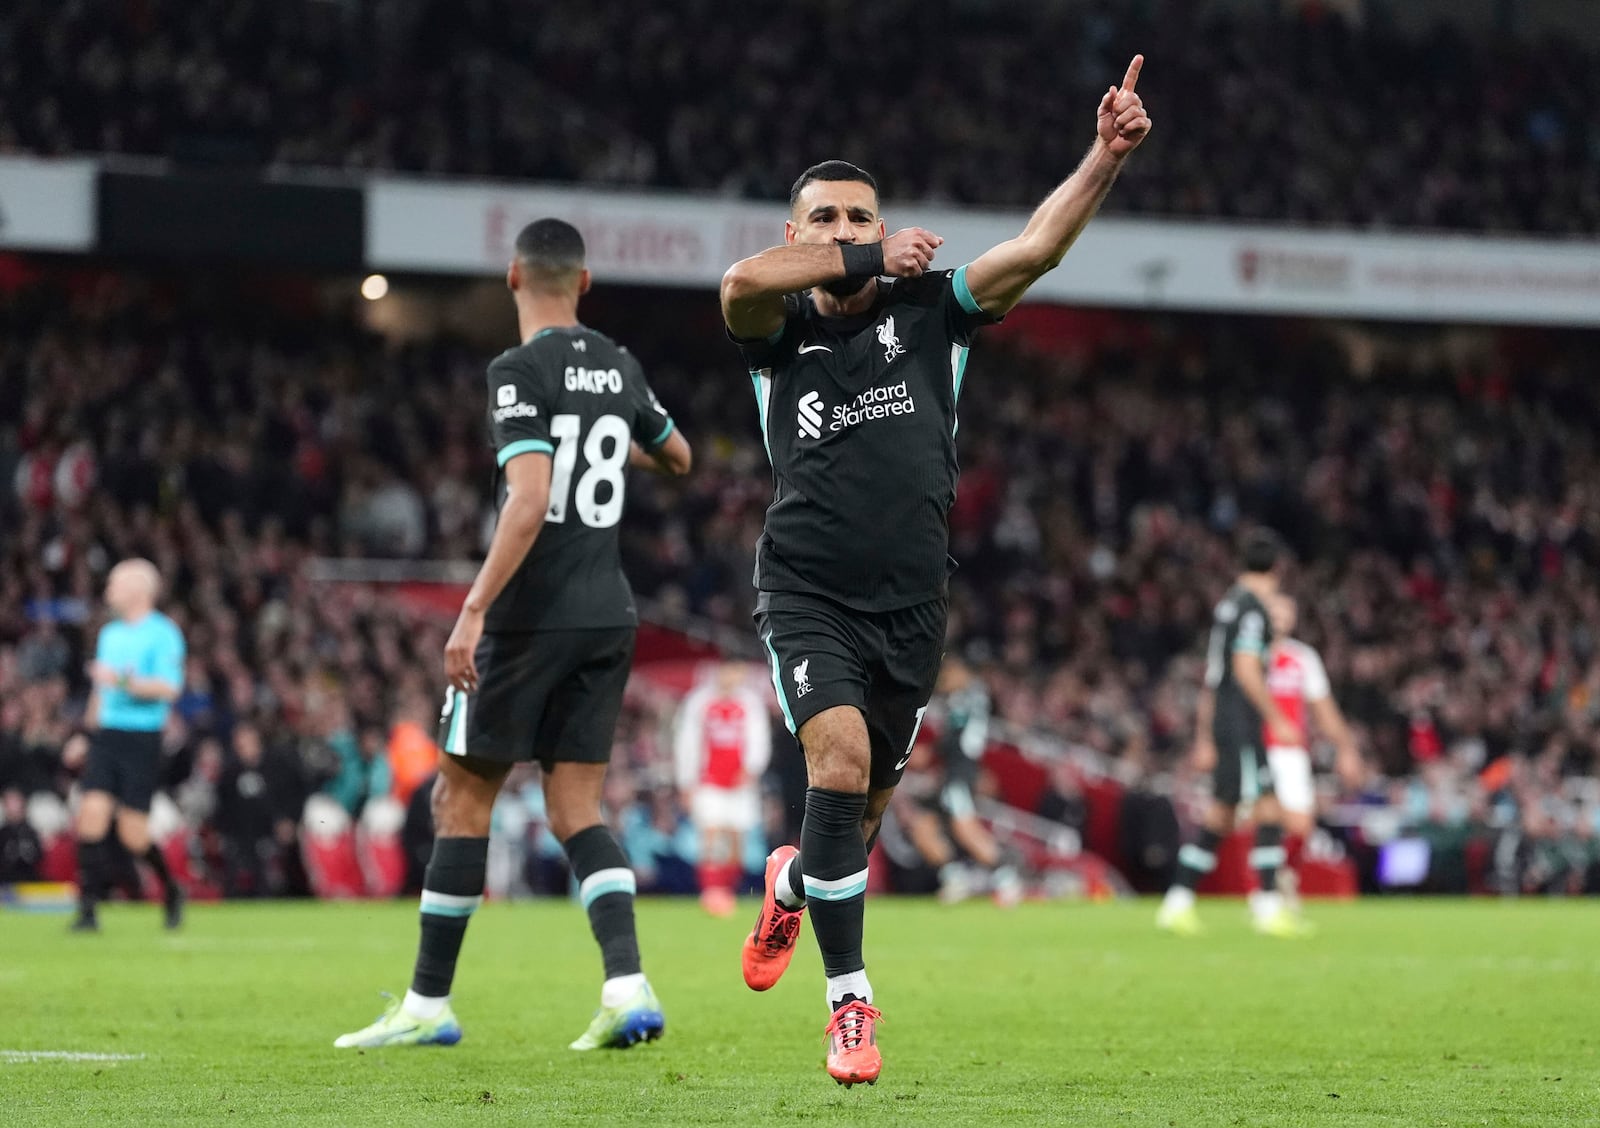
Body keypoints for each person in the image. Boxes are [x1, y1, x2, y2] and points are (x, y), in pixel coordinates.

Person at [721, 57, 1152, 1085]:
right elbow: (737, 283)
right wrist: (869, 251)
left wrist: (1106, 152)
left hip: (912, 609)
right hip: (806, 592)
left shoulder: (932, 315)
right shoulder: (774, 333)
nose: (840, 230)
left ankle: (793, 880)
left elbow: (1037, 247)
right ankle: (852, 1007)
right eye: (822, 218)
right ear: (799, 233)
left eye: (857, 215)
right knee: (832, 767)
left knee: (853, 825)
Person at [335, 218, 692, 1051]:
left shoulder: (517, 370)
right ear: (586, 281)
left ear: (511, 277)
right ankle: (627, 986)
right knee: (575, 808)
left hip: (532, 616)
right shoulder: (618, 364)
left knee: (459, 797)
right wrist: (604, 436)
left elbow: (528, 501)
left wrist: (471, 611)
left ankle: (427, 1005)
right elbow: (676, 457)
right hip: (610, 611)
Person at [1156, 530, 1309, 937]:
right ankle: (1267, 906)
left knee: (1222, 813)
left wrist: (1206, 735)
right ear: (1277, 568)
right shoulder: (1252, 608)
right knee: (1270, 807)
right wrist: (1277, 718)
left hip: (1228, 720)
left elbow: (1214, 676)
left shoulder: (1228, 606)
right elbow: (1243, 669)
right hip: (1241, 722)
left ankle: (1177, 902)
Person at [70, 558, 187, 932]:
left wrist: (120, 681)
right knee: (91, 814)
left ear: (139, 590)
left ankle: (171, 889)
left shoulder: (163, 634)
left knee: (132, 833)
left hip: (141, 739)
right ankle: (88, 911)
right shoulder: (111, 635)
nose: (108, 590)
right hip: (108, 735)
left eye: (114, 584)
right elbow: (99, 693)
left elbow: (168, 688)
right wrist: (85, 736)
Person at [672, 661, 772, 917]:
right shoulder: (699, 702)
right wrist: (686, 781)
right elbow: (687, 742)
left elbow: (759, 740)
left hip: (740, 783)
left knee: (737, 840)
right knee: (711, 835)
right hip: (708, 781)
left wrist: (751, 769)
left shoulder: (750, 703)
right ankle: (711, 892)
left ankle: (727, 891)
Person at [1261, 593, 1361, 844]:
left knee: (1299, 825)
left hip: (1290, 751)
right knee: (1254, 822)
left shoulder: (1302, 657)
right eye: (1273, 612)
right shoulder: (1244, 657)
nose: (1279, 619)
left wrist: (1346, 749)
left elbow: (1324, 709)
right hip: (1252, 748)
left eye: (1285, 613)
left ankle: (1280, 878)